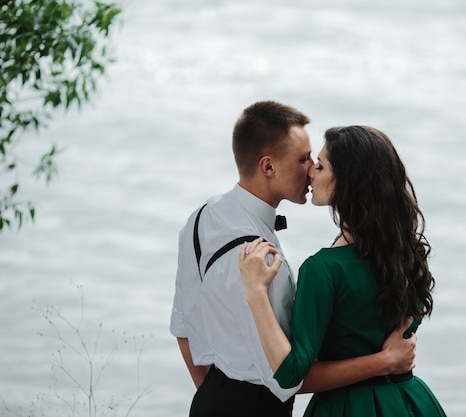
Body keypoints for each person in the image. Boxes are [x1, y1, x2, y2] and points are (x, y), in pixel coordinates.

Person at [170, 102, 419, 417]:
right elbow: (287, 378)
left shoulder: (201, 218)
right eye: (304, 159)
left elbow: (184, 327)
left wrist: (214, 399)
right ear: (268, 167)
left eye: (316, 158)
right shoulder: (258, 262)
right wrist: (385, 362)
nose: (312, 167)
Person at [239, 125, 448, 417]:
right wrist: (386, 361)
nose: (311, 171)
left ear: (347, 182)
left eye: (321, 166)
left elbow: (290, 374)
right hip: (409, 402)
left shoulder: (322, 270)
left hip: (346, 408)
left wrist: (255, 292)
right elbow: (403, 340)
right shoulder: (409, 253)